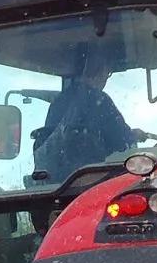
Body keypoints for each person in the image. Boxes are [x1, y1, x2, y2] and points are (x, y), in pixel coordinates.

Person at [28, 50, 134, 182]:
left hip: (57, 182)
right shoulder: (99, 100)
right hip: (92, 181)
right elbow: (122, 141)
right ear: (99, 72)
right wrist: (133, 136)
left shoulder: (60, 100)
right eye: (107, 74)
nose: (106, 78)